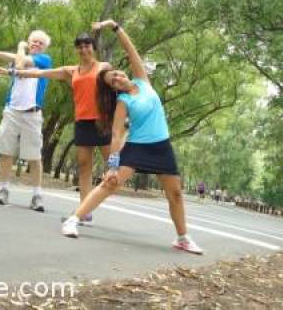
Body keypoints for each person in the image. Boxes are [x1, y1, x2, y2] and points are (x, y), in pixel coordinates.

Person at [60, 19, 203, 254]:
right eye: (113, 81)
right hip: (137, 148)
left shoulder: (143, 81)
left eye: (117, 74)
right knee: (110, 183)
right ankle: (74, 220)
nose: (117, 78)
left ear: (124, 73)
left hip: (161, 146)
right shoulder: (122, 102)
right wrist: (113, 166)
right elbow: (116, 135)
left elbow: (131, 50)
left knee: (175, 193)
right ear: (114, 88)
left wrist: (115, 27)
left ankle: (183, 238)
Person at [7, 33, 112, 225]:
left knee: (114, 169)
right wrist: (16, 72)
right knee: (84, 167)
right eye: (80, 46)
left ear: (94, 48)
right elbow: (41, 73)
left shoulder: (103, 67)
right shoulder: (72, 71)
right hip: (82, 122)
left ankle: (97, 198)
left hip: (102, 122)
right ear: (77, 50)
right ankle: (85, 212)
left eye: (87, 45)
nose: (84, 49)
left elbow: (117, 85)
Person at [0, 30, 53, 211]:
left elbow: (19, 61)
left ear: (44, 47)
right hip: (12, 111)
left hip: (32, 114)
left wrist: (20, 46)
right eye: (33, 41)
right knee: (6, 152)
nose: (36, 44)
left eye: (40, 43)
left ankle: (37, 195)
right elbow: (11, 57)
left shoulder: (44, 60)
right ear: (30, 41)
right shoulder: (21, 56)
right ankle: (3, 190)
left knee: (34, 156)